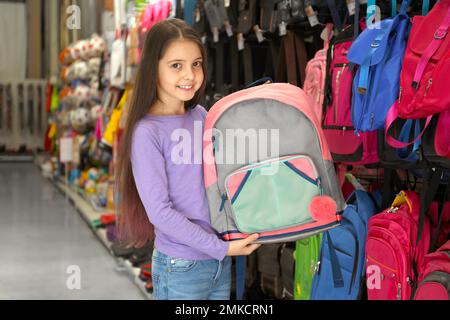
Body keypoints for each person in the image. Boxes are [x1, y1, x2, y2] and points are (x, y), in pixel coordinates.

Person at [116, 18, 261, 300]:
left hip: (219, 260)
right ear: (153, 69)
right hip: (182, 266)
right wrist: (221, 248)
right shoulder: (147, 133)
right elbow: (160, 213)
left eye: (196, 64)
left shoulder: (201, 116)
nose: (190, 75)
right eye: (176, 65)